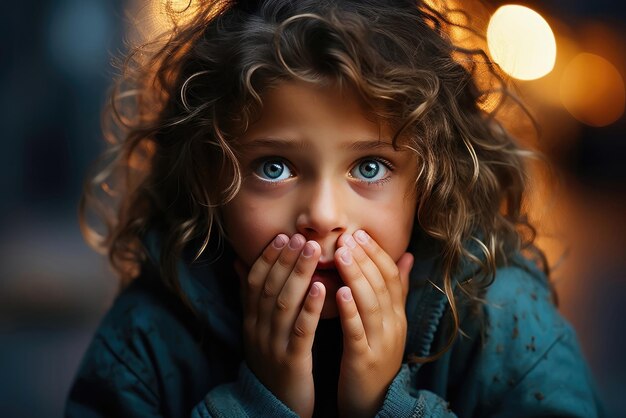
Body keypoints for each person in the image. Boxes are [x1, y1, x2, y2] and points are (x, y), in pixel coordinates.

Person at [66, 0, 604, 416]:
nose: (323, 215)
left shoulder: (504, 321)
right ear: (209, 179)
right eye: (273, 167)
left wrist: (383, 409)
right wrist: (259, 404)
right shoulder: (147, 339)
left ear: (431, 178)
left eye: (369, 167)